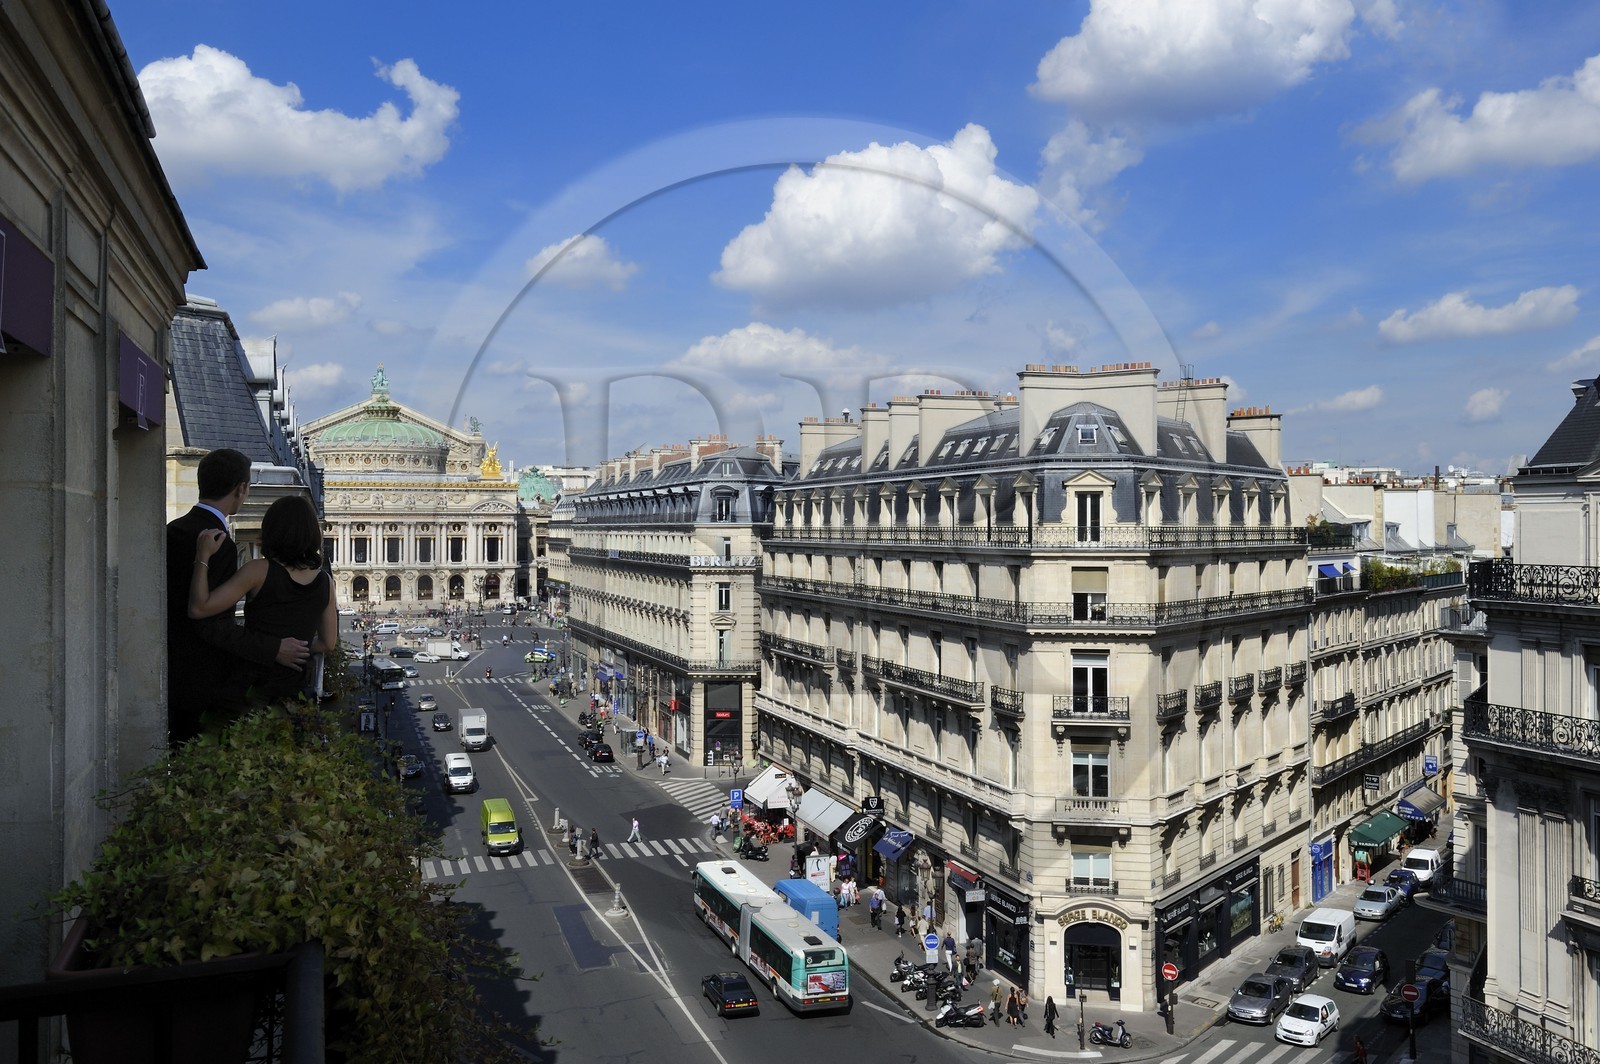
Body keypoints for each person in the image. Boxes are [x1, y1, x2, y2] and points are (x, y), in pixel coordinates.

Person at [167, 449, 310, 744]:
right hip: (204, 681)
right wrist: (273, 648)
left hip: (172, 671)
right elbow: (212, 624)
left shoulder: (173, 530)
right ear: (241, 488)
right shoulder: (219, 542)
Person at [188, 495, 335, 708]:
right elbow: (328, 643)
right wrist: (300, 649)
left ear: (271, 530)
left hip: (253, 687)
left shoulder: (259, 570)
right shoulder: (325, 581)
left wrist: (202, 557)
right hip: (294, 692)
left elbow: (199, 608)